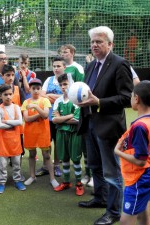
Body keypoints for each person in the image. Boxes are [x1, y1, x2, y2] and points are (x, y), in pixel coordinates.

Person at [77, 26, 133, 225]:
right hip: (90, 123)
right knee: (95, 166)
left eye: (99, 41)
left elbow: (127, 98)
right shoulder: (91, 65)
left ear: (110, 44)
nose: (94, 45)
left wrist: (99, 102)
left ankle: (114, 212)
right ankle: (100, 198)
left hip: (108, 127)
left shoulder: (120, 64)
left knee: (111, 171)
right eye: (92, 42)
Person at [114, 80, 150, 225]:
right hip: (148, 173)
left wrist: (117, 152)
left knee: (125, 221)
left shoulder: (140, 126)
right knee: (142, 214)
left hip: (138, 178)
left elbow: (140, 161)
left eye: (131, 95)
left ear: (137, 98)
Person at [60, 44, 93, 187]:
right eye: (61, 52)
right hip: (64, 106)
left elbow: (83, 88)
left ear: (72, 53)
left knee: (86, 145)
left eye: (66, 52)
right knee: (71, 147)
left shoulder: (78, 68)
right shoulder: (61, 67)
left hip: (79, 107)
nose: (63, 54)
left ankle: (90, 174)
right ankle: (80, 174)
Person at [36, 56, 74, 178]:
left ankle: (56, 165)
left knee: (58, 143)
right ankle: (46, 166)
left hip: (61, 118)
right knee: (46, 142)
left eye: (59, 66)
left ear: (64, 67)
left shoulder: (69, 80)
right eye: (54, 66)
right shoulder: (49, 79)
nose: (56, 68)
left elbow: (70, 97)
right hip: (48, 117)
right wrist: (59, 97)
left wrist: (50, 96)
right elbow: (42, 95)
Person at [21, 78, 59, 189]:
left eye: (38, 88)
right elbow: (27, 119)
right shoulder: (26, 102)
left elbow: (46, 115)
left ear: (41, 89)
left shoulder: (45, 101)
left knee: (47, 155)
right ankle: (32, 176)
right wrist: (39, 114)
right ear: (30, 90)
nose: (36, 91)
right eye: (33, 88)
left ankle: (52, 178)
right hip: (30, 133)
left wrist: (36, 107)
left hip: (43, 133)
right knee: (32, 155)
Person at [52, 74, 84, 196]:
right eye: (60, 85)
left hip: (74, 133)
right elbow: (54, 119)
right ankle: (66, 182)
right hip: (61, 134)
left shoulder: (76, 100)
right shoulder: (58, 101)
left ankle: (79, 183)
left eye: (65, 84)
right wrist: (69, 116)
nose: (63, 87)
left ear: (71, 84)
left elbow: (76, 120)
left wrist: (61, 119)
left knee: (75, 159)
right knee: (64, 158)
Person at [0, 84, 26, 194]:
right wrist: (13, 124)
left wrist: (7, 122)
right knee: (2, 164)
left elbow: (19, 122)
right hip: (3, 142)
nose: (8, 96)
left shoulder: (16, 107)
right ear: (0, 96)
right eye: (5, 94)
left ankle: (17, 180)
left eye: (10, 94)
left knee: (17, 162)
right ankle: (2, 182)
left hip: (15, 141)